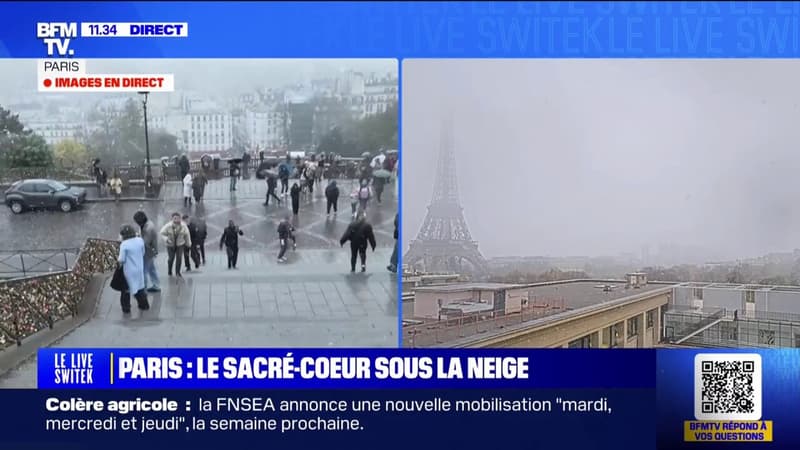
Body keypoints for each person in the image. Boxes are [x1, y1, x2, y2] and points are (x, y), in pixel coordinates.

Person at [117, 224, 150, 313]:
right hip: (139, 268)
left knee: (126, 289)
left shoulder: (124, 244)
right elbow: (143, 252)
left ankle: (126, 308)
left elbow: (122, 259)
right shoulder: (140, 240)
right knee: (139, 288)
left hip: (129, 270)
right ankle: (144, 305)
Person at [133, 211, 160, 292]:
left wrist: (136, 240)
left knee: (143, 270)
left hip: (147, 251)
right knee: (151, 269)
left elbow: (145, 242)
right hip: (151, 250)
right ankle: (156, 285)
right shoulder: (147, 224)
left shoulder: (148, 228)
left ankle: (143, 288)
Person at [160, 212, 191, 278]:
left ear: (180, 218)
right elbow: (162, 233)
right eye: (175, 218)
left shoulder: (183, 226)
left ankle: (177, 272)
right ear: (172, 219)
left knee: (179, 258)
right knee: (171, 258)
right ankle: (170, 270)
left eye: (178, 218)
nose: (176, 220)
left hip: (180, 244)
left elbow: (187, 235)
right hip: (170, 245)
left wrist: (188, 244)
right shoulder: (168, 226)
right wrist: (166, 239)